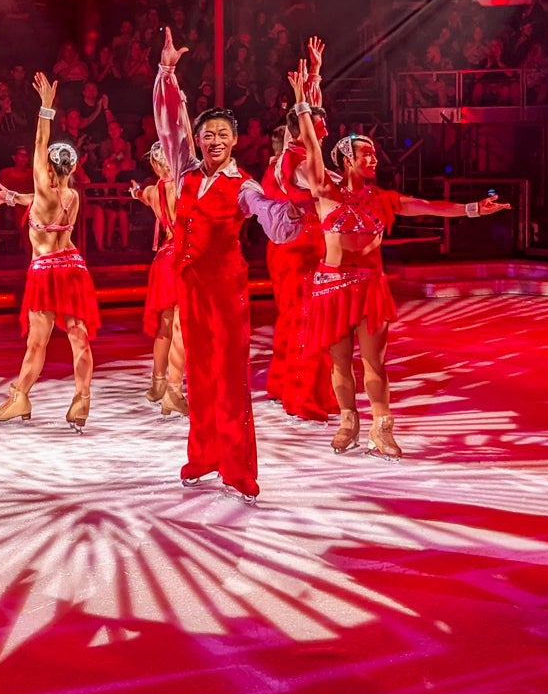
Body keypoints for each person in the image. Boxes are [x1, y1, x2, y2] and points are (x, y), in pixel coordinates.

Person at [287, 54, 508, 460]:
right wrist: (303, 99)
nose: (374, 160)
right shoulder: (324, 189)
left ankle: (382, 428)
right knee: (340, 362)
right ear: (347, 159)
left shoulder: (384, 199)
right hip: (332, 288)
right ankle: (347, 420)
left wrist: (473, 209)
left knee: (375, 362)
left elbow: (430, 206)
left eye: (374, 154)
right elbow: (311, 146)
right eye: (367, 154)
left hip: (370, 288)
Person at [153, 29, 301, 502]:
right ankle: (204, 456)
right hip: (191, 287)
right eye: (207, 134)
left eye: (222, 135)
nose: (213, 140)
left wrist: (286, 212)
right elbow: (169, 125)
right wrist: (167, 73)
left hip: (226, 291)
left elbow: (264, 211)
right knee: (198, 376)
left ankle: (238, 469)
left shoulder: (243, 185)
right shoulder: (186, 173)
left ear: (235, 141)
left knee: (230, 378)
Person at [0, 73, 101, 431]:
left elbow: (39, 142)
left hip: (46, 270)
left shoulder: (45, 187)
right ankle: (81, 400)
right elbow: (41, 204)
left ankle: (20, 394)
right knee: (77, 334)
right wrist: (14, 198)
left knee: (38, 341)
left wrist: (46, 108)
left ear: (49, 168)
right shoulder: (72, 196)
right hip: (73, 266)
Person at [263, 39, 337, 422]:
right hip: (302, 248)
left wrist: (314, 77)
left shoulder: (287, 155)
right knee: (307, 321)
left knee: (294, 318)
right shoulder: (302, 163)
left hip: (291, 247)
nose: (323, 127)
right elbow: (330, 188)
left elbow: (307, 117)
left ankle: (283, 384)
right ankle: (301, 394)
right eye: (317, 121)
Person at [129, 143, 187, 417]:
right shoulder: (183, 187)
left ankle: (157, 383)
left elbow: (141, 194)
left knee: (164, 327)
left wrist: (136, 191)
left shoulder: (153, 192)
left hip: (163, 260)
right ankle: (175, 387)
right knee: (179, 326)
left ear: (154, 166)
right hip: (182, 258)